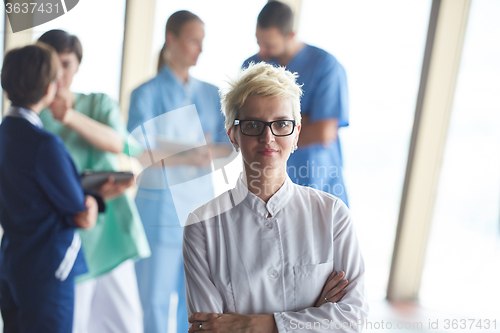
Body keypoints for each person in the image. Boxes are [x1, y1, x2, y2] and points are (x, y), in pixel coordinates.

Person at [183, 62, 368, 332]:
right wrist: (316, 312)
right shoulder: (201, 225)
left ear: (296, 133)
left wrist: (254, 325)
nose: (267, 137)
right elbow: (209, 329)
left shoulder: (332, 215)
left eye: (281, 124)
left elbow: (353, 319)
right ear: (233, 135)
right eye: (253, 125)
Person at [37, 30, 151, 333]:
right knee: (73, 323)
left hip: (111, 228)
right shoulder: (35, 119)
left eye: (66, 63)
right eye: (52, 63)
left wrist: (69, 116)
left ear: (77, 65)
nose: (59, 73)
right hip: (69, 233)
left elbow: (122, 144)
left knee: (126, 324)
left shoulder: (98, 104)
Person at [127, 10, 232, 333]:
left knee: (196, 303)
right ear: (170, 39)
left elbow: (226, 148)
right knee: (154, 301)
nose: (199, 48)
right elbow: (142, 153)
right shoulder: (145, 94)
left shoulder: (210, 94)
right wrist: (194, 152)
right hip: (158, 211)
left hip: (199, 211)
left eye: (202, 42)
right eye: (192, 40)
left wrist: (172, 150)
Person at [0, 43, 102, 332]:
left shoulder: (4, 135)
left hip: (12, 265)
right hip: (47, 272)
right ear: (49, 89)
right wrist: (93, 202)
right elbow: (79, 211)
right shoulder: (43, 144)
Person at [243, 1, 350, 205]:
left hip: (318, 182)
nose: (262, 52)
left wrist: (265, 126)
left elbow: (324, 131)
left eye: (269, 45)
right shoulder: (252, 66)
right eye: (259, 42)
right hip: (265, 185)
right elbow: (245, 127)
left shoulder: (325, 66)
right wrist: (300, 120)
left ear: (290, 36)